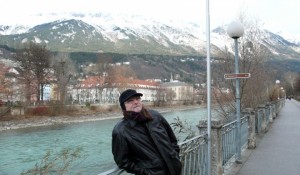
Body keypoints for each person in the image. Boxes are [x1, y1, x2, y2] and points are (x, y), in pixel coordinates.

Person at [112, 89, 182, 175]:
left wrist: (175, 156)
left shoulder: (155, 116)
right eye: (130, 101)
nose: (136, 102)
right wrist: (145, 172)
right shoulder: (121, 130)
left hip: (174, 169)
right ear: (124, 107)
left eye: (137, 99)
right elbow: (123, 161)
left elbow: (172, 139)